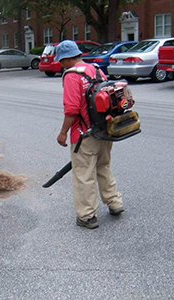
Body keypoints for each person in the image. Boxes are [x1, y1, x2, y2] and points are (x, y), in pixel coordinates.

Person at [55, 40, 124, 229]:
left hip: (83, 135)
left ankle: (87, 216)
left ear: (68, 59)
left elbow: (72, 109)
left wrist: (62, 133)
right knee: (104, 167)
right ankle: (115, 203)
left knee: (84, 175)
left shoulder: (71, 76)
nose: (61, 65)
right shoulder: (96, 69)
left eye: (61, 61)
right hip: (105, 130)